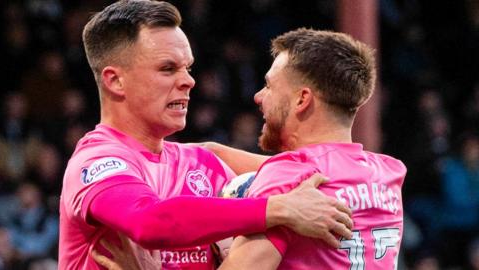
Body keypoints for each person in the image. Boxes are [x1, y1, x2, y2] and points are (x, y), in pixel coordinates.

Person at [58, 1, 354, 270]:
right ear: (115, 81)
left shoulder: (203, 163)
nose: (188, 81)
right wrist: (278, 209)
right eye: (167, 68)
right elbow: (150, 221)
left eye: (187, 68)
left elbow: (322, 181)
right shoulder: (95, 162)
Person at [91, 28, 407, 270]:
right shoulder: (388, 174)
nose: (258, 96)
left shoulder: (289, 182)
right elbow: (312, 167)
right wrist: (200, 151)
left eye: (269, 86)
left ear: (302, 99)